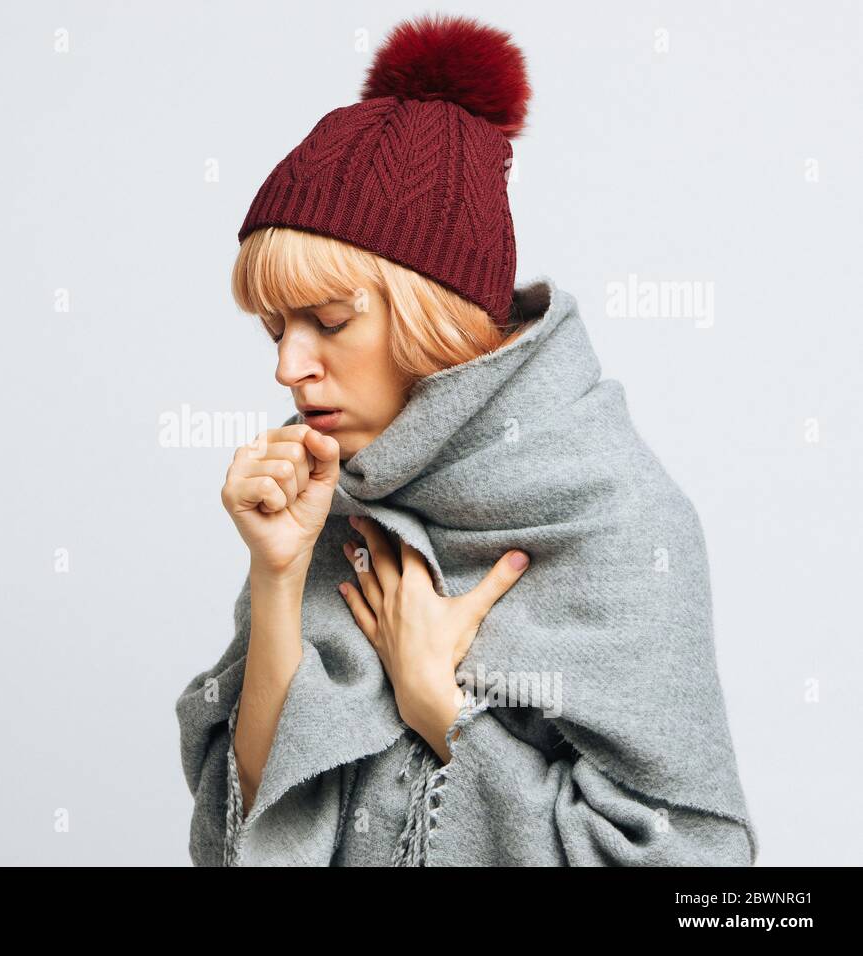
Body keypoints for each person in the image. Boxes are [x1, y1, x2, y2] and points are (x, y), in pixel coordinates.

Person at [175, 13, 757, 866]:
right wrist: (277, 577)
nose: (290, 367)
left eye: (330, 320)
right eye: (275, 332)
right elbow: (242, 843)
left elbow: (703, 878)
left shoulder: (621, 520)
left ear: (429, 315)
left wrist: (438, 708)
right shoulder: (327, 501)